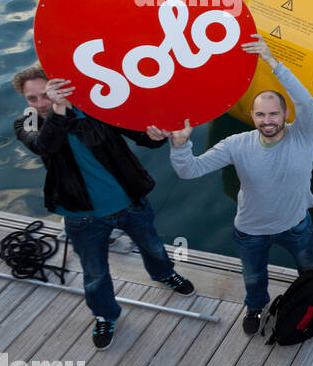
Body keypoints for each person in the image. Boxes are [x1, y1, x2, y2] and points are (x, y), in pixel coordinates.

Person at [12, 64, 194, 350]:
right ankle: (105, 314)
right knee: (94, 272)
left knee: (153, 247)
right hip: (81, 216)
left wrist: (157, 134)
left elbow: (141, 136)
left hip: (130, 202)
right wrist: (58, 110)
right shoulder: (28, 122)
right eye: (31, 99)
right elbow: (44, 146)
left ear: (60, 87)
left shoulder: (97, 107)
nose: (40, 104)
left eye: (46, 94)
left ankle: (164, 274)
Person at [151, 36, 313, 335]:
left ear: (285, 115)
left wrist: (271, 61)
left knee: (311, 271)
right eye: (260, 115)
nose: (267, 120)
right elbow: (190, 170)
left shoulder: (303, 135)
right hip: (251, 231)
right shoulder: (236, 144)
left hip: (296, 226)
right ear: (252, 116)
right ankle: (255, 307)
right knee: (254, 278)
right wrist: (179, 146)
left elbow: (305, 101)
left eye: (273, 114)